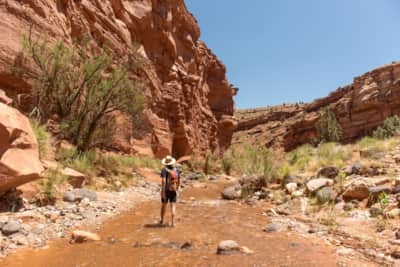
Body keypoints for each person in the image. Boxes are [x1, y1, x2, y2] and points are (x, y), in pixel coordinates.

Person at [159, 155, 181, 227]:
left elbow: (163, 181)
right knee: (173, 206)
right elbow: (179, 180)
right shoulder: (176, 169)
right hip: (174, 190)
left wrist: (163, 192)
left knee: (163, 205)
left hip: (166, 190)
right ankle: (173, 223)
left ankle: (162, 221)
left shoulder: (164, 170)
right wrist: (177, 189)